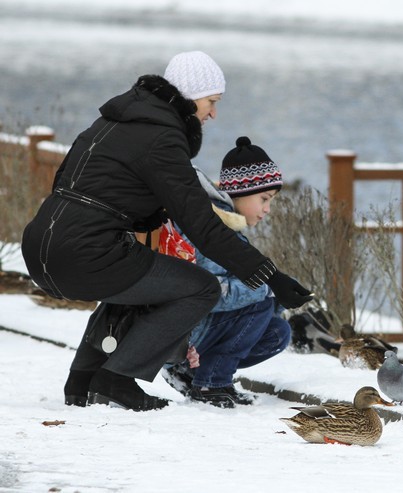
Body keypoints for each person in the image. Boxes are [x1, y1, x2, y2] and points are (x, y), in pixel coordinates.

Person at [21, 51, 313, 411]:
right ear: (190, 98)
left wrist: (141, 218)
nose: (213, 113)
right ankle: (118, 379)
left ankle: (82, 380)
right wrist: (271, 276)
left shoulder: (114, 121)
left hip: (40, 247)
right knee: (199, 288)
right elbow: (204, 227)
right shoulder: (162, 138)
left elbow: (69, 180)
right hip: (84, 252)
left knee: (142, 279)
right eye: (211, 102)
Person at [162, 137, 296, 408]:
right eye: (264, 199)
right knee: (260, 301)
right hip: (181, 332)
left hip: (193, 327)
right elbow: (212, 292)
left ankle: (194, 373)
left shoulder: (225, 223)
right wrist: (269, 289)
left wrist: (279, 299)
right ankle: (212, 382)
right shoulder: (213, 227)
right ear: (241, 192)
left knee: (277, 332)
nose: (268, 209)